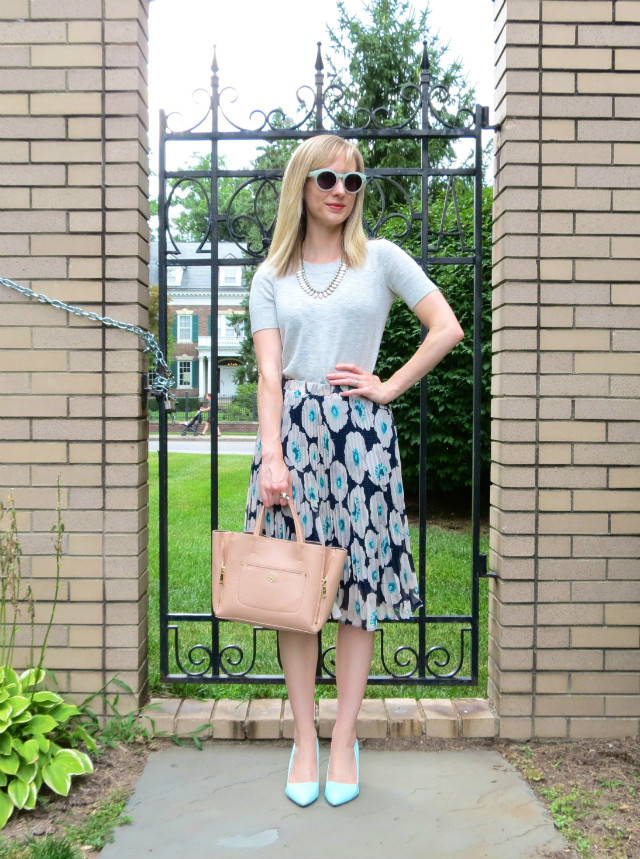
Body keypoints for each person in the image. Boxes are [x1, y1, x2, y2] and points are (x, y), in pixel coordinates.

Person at [244, 134, 464, 807]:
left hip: (361, 441)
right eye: (327, 178)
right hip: (295, 441)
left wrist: (389, 385)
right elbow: (268, 377)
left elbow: (446, 326)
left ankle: (344, 738)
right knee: (296, 592)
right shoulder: (270, 276)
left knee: (357, 594)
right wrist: (274, 457)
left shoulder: (382, 260)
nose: (340, 190)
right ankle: (304, 738)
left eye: (353, 180)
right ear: (301, 186)